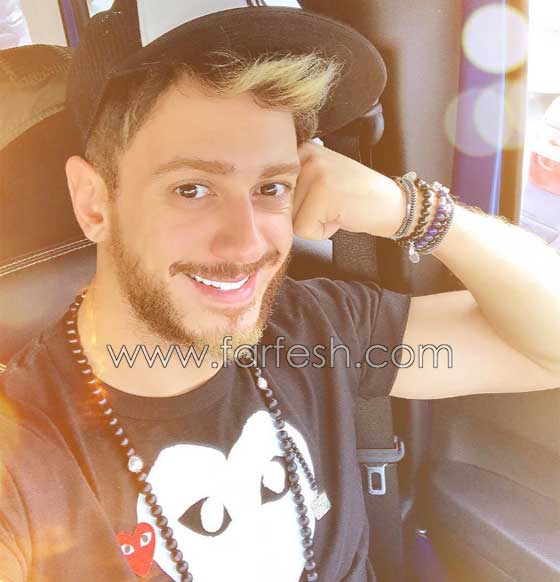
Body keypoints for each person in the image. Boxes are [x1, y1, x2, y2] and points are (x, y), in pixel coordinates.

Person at [1, 2, 559, 581]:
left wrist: (410, 210)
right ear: (94, 203)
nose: (247, 242)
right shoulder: (25, 452)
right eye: (192, 189)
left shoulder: (317, 331)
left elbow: (547, 347)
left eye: (271, 187)